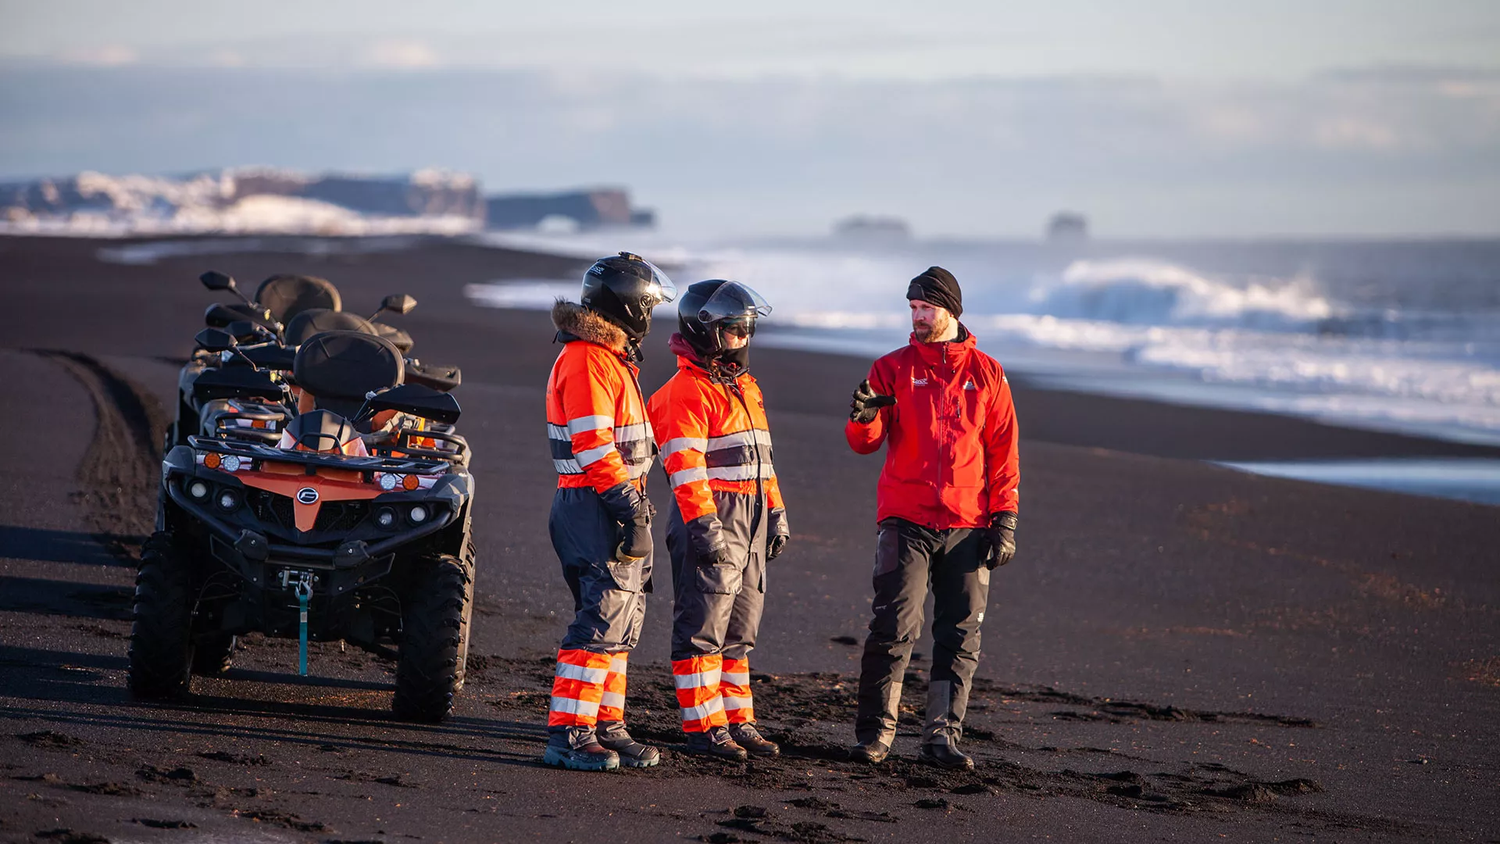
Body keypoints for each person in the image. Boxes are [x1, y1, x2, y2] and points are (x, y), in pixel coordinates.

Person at [844, 266, 1020, 771]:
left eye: (926, 308)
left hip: (969, 523)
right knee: (894, 626)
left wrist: (1004, 518)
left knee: (960, 633)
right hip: (906, 518)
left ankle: (940, 737)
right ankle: (876, 734)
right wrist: (863, 416)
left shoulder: (988, 373)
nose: (918, 317)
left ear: (951, 311)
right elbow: (864, 443)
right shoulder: (891, 368)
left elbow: (1004, 454)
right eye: (913, 309)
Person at [542, 252, 675, 771]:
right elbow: (595, 445)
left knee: (622, 619)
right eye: (648, 305)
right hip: (594, 501)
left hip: (604, 500)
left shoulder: (610, 357)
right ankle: (569, 734)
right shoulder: (588, 359)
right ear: (630, 306)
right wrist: (630, 508)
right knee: (600, 621)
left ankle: (606, 724)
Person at [647, 280, 789, 762]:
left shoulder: (746, 388)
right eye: (732, 331)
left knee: (739, 632)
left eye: (747, 330)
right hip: (708, 516)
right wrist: (705, 528)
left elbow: (762, 461)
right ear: (704, 331)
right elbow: (685, 471)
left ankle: (736, 719)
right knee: (702, 628)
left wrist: (776, 509)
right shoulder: (683, 392)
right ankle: (703, 727)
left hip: (749, 515)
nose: (742, 341)